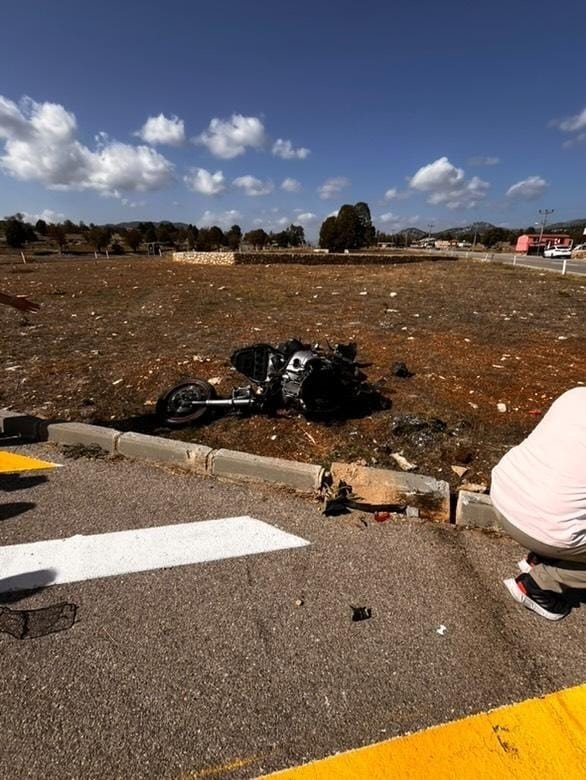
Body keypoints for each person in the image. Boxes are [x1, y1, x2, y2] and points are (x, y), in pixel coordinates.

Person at [491, 387, 586, 620]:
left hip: (503, 494)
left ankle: (541, 557)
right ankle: (540, 583)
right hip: (544, 528)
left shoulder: (574, 395)